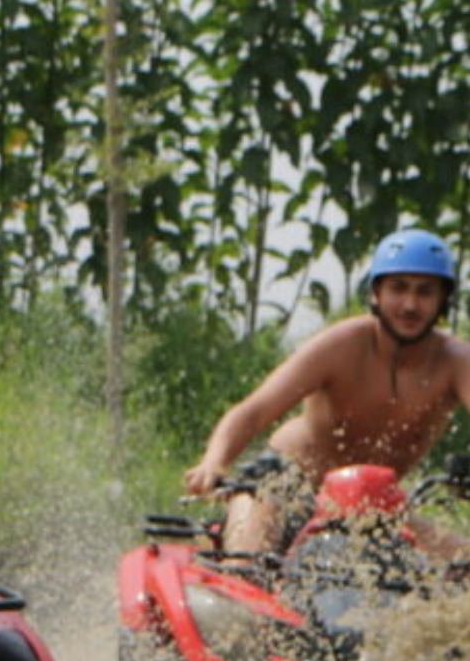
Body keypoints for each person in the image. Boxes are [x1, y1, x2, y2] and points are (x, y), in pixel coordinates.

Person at [184, 227, 470, 553]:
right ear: (376, 292)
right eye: (398, 288)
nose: (409, 304)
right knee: (248, 565)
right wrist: (214, 462)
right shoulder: (341, 345)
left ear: (443, 300)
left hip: (373, 508)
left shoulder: (457, 361)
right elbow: (253, 411)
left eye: (425, 292)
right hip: (283, 484)